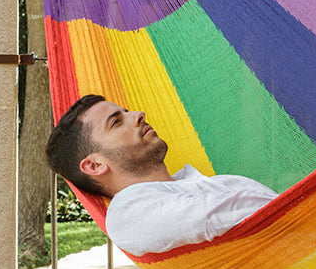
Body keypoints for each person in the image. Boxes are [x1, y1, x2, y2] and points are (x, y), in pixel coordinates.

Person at [45, 94, 278, 256]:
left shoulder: (194, 183)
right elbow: (269, 214)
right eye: (116, 122)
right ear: (95, 165)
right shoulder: (129, 216)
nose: (139, 114)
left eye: (126, 112)